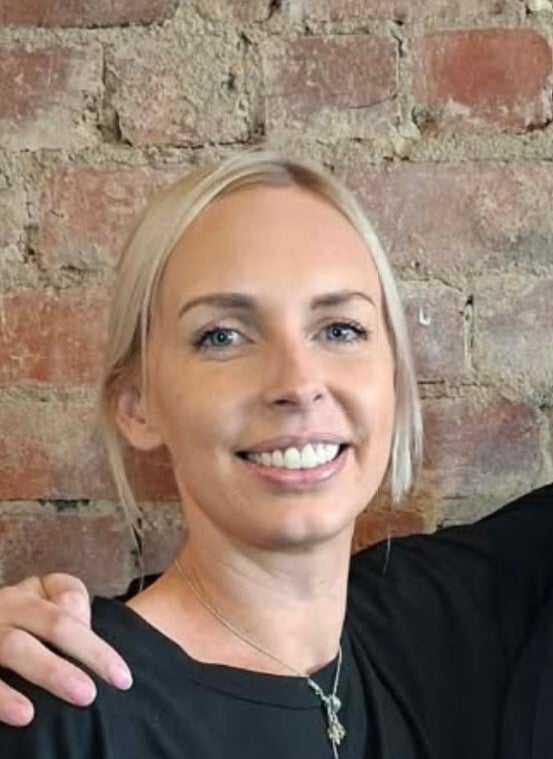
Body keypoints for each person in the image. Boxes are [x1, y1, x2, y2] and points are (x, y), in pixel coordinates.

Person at [0, 148, 552, 759]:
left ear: (394, 378)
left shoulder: (438, 626)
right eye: (223, 337)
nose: (297, 382)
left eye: (340, 329)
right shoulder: (59, 707)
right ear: (137, 406)